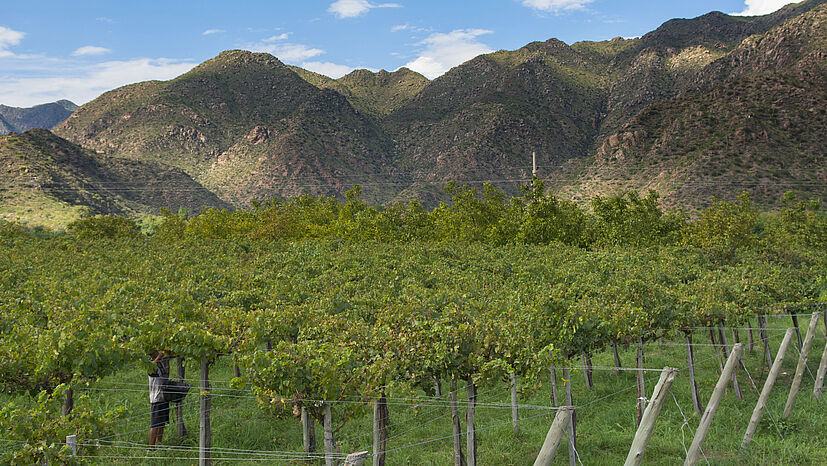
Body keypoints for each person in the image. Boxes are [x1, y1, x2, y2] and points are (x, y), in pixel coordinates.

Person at [148, 351, 171, 449]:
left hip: (164, 396)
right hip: (156, 398)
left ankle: (159, 444)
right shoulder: (150, 366)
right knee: (155, 424)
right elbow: (151, 365)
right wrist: (159, 356)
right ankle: (151, 447)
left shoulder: (161, 363)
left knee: (162, 423)